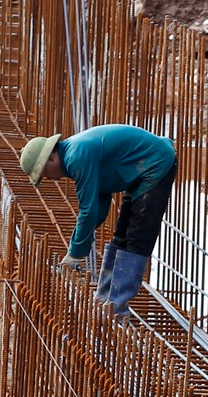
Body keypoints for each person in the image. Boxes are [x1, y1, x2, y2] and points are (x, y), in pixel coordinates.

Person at [19, 124, 177, 319]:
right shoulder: (75, 154)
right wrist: (82, 238)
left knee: (137, 237)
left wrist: (75, 252)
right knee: (122, 235)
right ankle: (104, 297)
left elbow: (88, 209)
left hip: (156, 163)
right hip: (139, 169)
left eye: (45, 174)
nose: (51, 180)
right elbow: (98, 207)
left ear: (51, 158)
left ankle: (117, 307)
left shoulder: (77, 157)